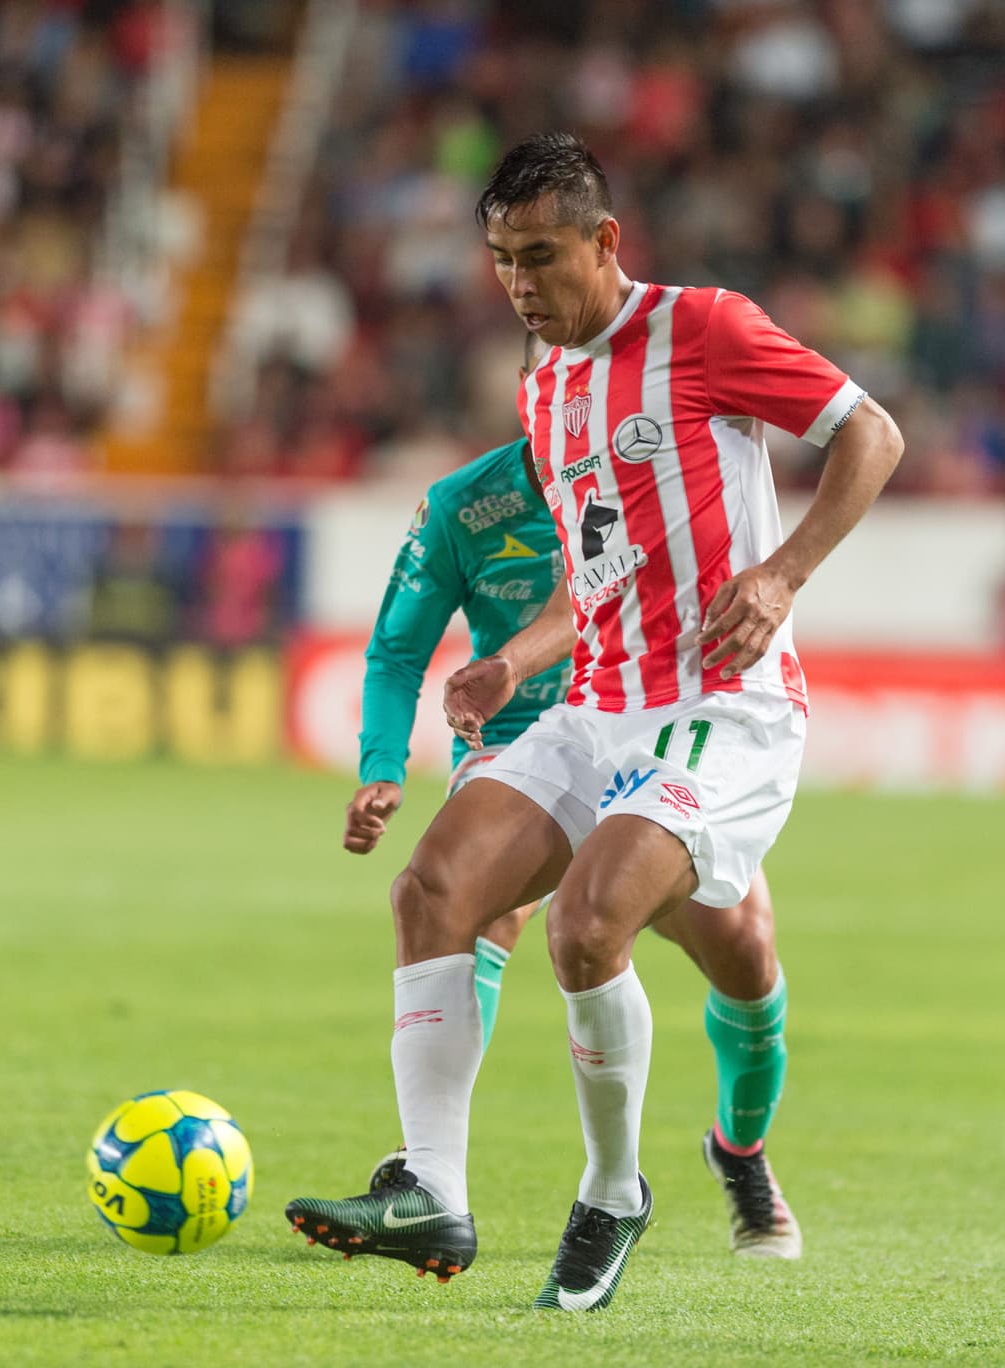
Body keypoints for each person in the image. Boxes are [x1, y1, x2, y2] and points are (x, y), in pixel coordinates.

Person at [287, 132, 904, 1312]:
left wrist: (779, 575)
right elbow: (600, 571)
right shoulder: (545, 383)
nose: (520, 286)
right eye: (500, 263)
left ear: (604, 241)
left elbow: (871, 434)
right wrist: (507, 662)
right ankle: (430, 1189)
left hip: (722, 709)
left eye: (541, 257)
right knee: (433, 889)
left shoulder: (706, 328)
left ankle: (613, 1192)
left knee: (584, 925)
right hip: (595, 707)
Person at [342, 334, 799, 1260]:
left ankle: (739, 1151)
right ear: (528, 385)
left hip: (660, 736)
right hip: (525, 746)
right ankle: (433, 1167)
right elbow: (395, 650)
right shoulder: (467, 505)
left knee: (745, 953)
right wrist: (382, 763)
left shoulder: (649, 467)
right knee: (470, 908)